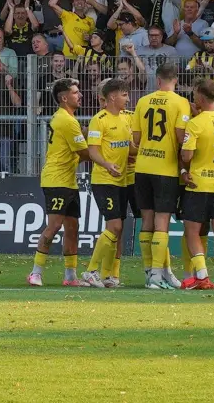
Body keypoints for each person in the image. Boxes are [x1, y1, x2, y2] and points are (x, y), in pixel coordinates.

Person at [28, 77, 94, 288]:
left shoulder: (66, 119)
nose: (80, 95)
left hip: (68, 180)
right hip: (56, 179)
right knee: (54, 226)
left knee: (72, 228)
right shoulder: (67, 120)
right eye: (75, 92)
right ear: (64, 98)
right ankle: (35, 272)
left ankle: (70, 276)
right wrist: (105, 151)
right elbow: (84, 153)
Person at [130, 62, 191, 289]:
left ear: (157, 80)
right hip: (165, 169)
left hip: (143, 167)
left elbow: (135, 138)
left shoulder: (143, 102)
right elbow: (180, 135)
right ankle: (157, 275)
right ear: (175, 80)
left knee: (147, 220)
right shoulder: (180, 102)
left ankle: (150, 273)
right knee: (162, 222)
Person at [177, 79, 214, 290]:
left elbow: (186, 154)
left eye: (195, 95)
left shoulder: (196, 123)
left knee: (192, 231)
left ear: (201, 97)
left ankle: (202, 277)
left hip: (198, 184)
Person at [80, 78, 134, 289]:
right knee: (115, 225)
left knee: (117, 229)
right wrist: (107, 164)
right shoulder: (99, 120)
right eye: (124, 95)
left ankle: (108, 275)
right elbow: (92, 151)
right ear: (112, 97)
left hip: (121, 180)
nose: (127, 99)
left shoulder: (125, 119)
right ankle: (90, 271)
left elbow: (129, 147)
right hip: (104, 180)